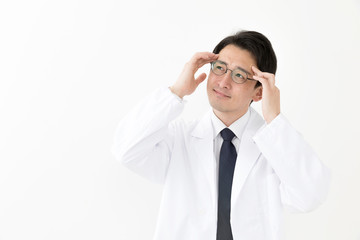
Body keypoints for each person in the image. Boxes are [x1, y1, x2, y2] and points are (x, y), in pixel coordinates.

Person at [111, 30, 331, 240]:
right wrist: (176, 91)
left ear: (259, 91)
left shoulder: (275, 145)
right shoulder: (180, 139)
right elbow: (126, 150)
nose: (224, 82)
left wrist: (274, 119)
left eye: (239, 75)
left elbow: (310, 196)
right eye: (219, 68)